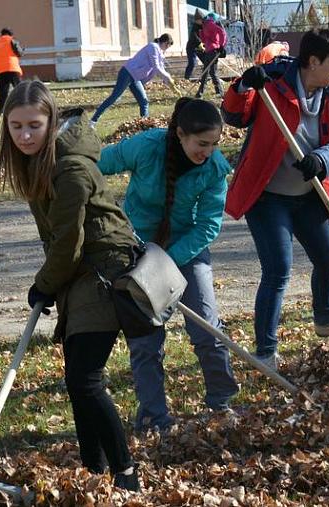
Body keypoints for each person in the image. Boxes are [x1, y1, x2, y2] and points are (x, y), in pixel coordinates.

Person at [0, 80, 140, 489]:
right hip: (79, 275)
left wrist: (43, 284)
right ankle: (93, 474)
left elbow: (68, 243)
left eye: (34, 126)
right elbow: (61, 243)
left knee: (85, 379)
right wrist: (53, 283)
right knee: (77, 381)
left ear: (51, 121)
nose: (25, 135)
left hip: (104, 272)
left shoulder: (71, 168)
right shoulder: (38, 162)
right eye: (17, 126)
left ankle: (125, 474)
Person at [98, 97, 239, 431]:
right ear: (179, 134)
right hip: (136, 250)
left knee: (206, 328)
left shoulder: (215, 169)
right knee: (146, 341)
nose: (208, 151)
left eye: (215, 144)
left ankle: (221, 403)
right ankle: (153, 417)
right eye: (202, 143)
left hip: (186, 252)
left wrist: (165, 264)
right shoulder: (147, 147)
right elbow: (99, 163)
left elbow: (208, 226)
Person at [221, 28, 329, 370]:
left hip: (309, 195)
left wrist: (323, 160)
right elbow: (234, 115)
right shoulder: (273, 81)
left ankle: (324, 321)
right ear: (313, 61)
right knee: (278, 269)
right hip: (267, 197)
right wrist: (242, 85)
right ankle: (265, 351)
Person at [91, 34, 175, 123]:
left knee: (144, 102)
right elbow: (156, 67)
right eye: (168, 46)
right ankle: (93, 120)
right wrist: (168, 78)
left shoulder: (160, 53)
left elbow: (161, 68)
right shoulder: (153, 47)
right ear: (166, 43)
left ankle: (145, 125)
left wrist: (170, 83)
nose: (167, 49)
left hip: (136, 78)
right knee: (114, 97)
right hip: (127, 73)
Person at [0, 28, 24, 114]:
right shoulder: (12, 40)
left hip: (1, 71)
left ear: (2, 34)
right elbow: (19, 53)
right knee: (20, 89)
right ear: (10, 34)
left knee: (3, 92)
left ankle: (1, 111)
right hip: (12, 68)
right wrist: (22, 51)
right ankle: (24, 107)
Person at [195, 14, 227, 98]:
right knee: (208, 72)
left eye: (196, 20)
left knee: (210, 72)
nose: (196, 22)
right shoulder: (204, 25)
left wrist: (221, 45)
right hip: (208, 50)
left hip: (214, 50)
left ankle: (217, 92)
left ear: (200, 19)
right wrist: (200, 32)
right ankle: (217, 92)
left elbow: (222, 32)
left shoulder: (210, 24)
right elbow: (204, 40)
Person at [184, 10, 205, 79]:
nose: (201, 21)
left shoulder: (203, 26)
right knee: (192, 63)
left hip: (199, 48)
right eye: (200, 20)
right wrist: (199, 43)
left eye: (202, 20)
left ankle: (204, 77)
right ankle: (187, 77)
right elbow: (194, 36)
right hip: (191, 48)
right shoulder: (194, 27)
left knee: (206, 61)